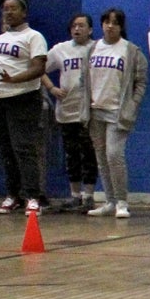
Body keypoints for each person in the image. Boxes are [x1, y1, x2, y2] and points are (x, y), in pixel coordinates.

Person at [0, 0, 49, 214]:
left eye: (13, 9)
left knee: (24, 147)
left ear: (24, 12)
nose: (8, 13)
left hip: (23, 98)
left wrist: (14, 80)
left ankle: (33, 196)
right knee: (5, 149)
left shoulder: (33, 37)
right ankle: (13, 195)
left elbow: (38, 67)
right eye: (5, 9)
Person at [85, 7, 149, 219]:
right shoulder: (92, 48)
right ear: (102, 24)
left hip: (117, 112)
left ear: (121, 27)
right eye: (106, 22)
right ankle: (109, 201)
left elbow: (140, 82)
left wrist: (132, 104)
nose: (110, 26)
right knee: (101, 157)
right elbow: (84, 78)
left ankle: (122, 201)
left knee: (114, 154)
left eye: (115, 22)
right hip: (95, 110)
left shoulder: (131, 51)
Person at [43, 13, 98, 212]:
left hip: (89, 111)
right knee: (71, 154)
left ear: (90, 30)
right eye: (74, 25)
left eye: (82, 26)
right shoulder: (60, 50)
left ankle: (89, 196)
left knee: (89, 154)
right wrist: (51, 88)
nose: (77, 29)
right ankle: (75, 195)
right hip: (67, 110)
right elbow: (39, 68)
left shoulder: (97, 49)